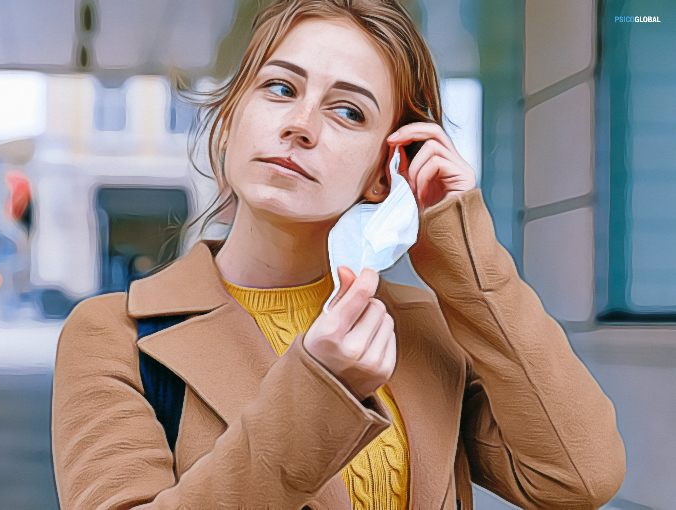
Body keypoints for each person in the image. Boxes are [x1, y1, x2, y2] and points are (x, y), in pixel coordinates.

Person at [51, 1, 626, 508]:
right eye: (280, 88)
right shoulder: (115, 334)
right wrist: (320, 388)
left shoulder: (421, 332)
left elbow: (578, 477)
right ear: (230, 120)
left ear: (385, 172)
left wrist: (462, 256)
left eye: (348, 111)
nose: (300, 126)